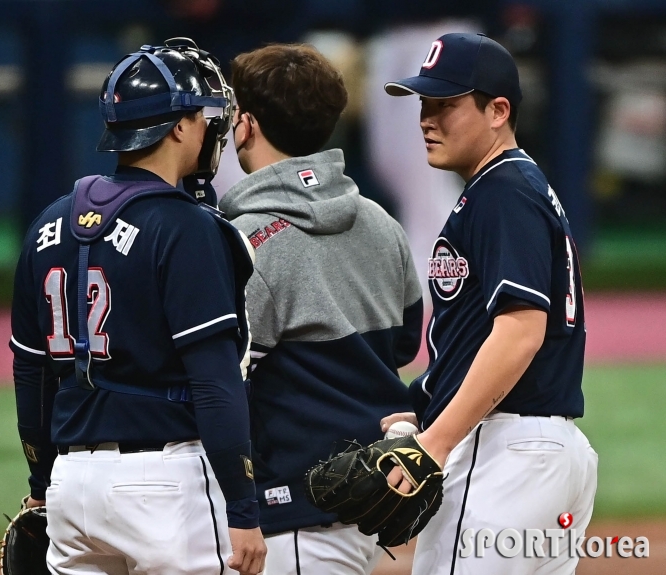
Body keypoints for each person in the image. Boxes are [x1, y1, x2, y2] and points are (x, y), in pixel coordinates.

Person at [9, 38, 266, 575]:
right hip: (163, 487)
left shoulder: (46, 225)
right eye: (204, 117)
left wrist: (41, 488)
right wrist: (243, 508)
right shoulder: (186, 228)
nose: (211, 127)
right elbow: (215, 381)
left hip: (71, 489)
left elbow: (31, 374)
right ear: (178, 126)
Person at [380, 32, 598, 574]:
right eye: (423, 105)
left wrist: (434, 442)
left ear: (498, 110)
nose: (427, 119)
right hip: (540, 454)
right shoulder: (511, 187)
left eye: (446, 105)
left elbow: (520, 332)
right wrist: (425, 404)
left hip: (502, 451)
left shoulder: (503, 191)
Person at [217, 44, 424, 575]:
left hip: (287, 515)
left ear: (246, 125)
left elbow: (222, 383)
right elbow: (404, 343)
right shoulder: (382, 222)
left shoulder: (245, 242)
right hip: (367, 495)